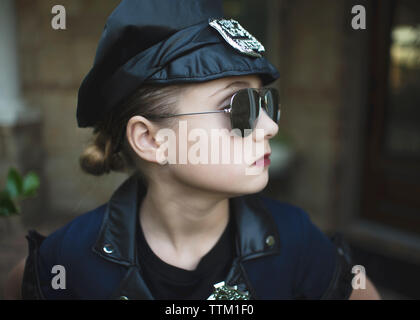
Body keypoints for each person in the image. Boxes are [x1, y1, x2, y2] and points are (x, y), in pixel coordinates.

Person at [5, 0, 381, 300]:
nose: (270, 126)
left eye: (267, 103)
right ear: (152, 140)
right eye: (241, 107)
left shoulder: (295, 240)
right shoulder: (68, 260)